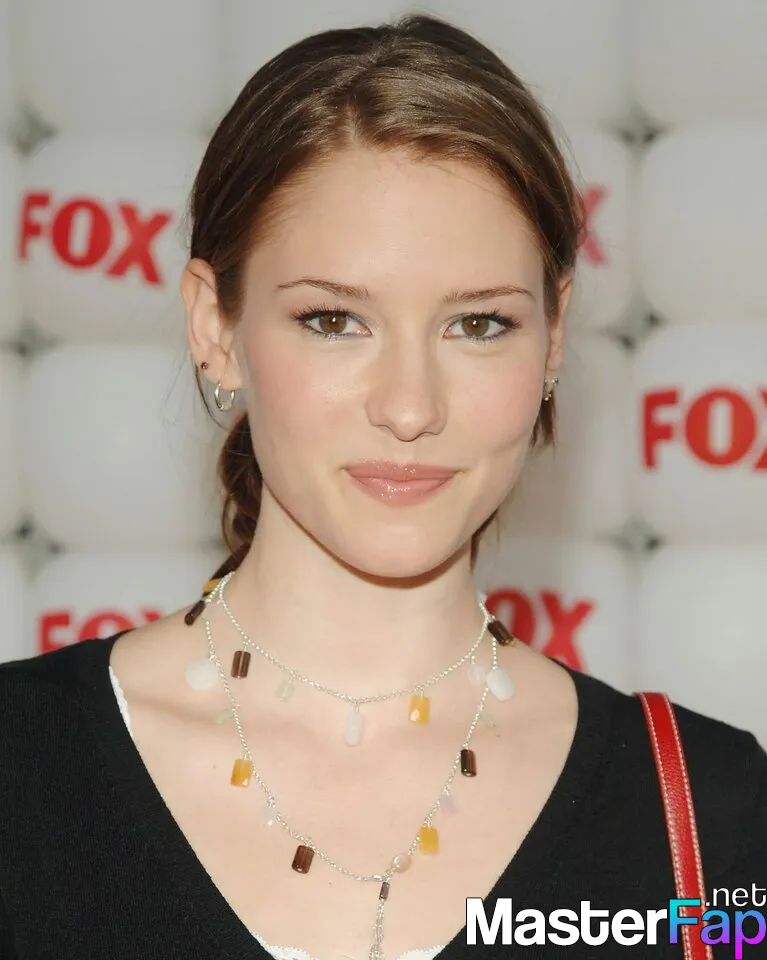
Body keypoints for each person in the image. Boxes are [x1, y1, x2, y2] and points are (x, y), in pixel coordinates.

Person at [1, 13, 765, 960]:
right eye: (333, 320)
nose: (409, 407)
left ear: (552, 336)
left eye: (478, 325)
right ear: (213, 326)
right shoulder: (19, 767)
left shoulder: (710, 816)